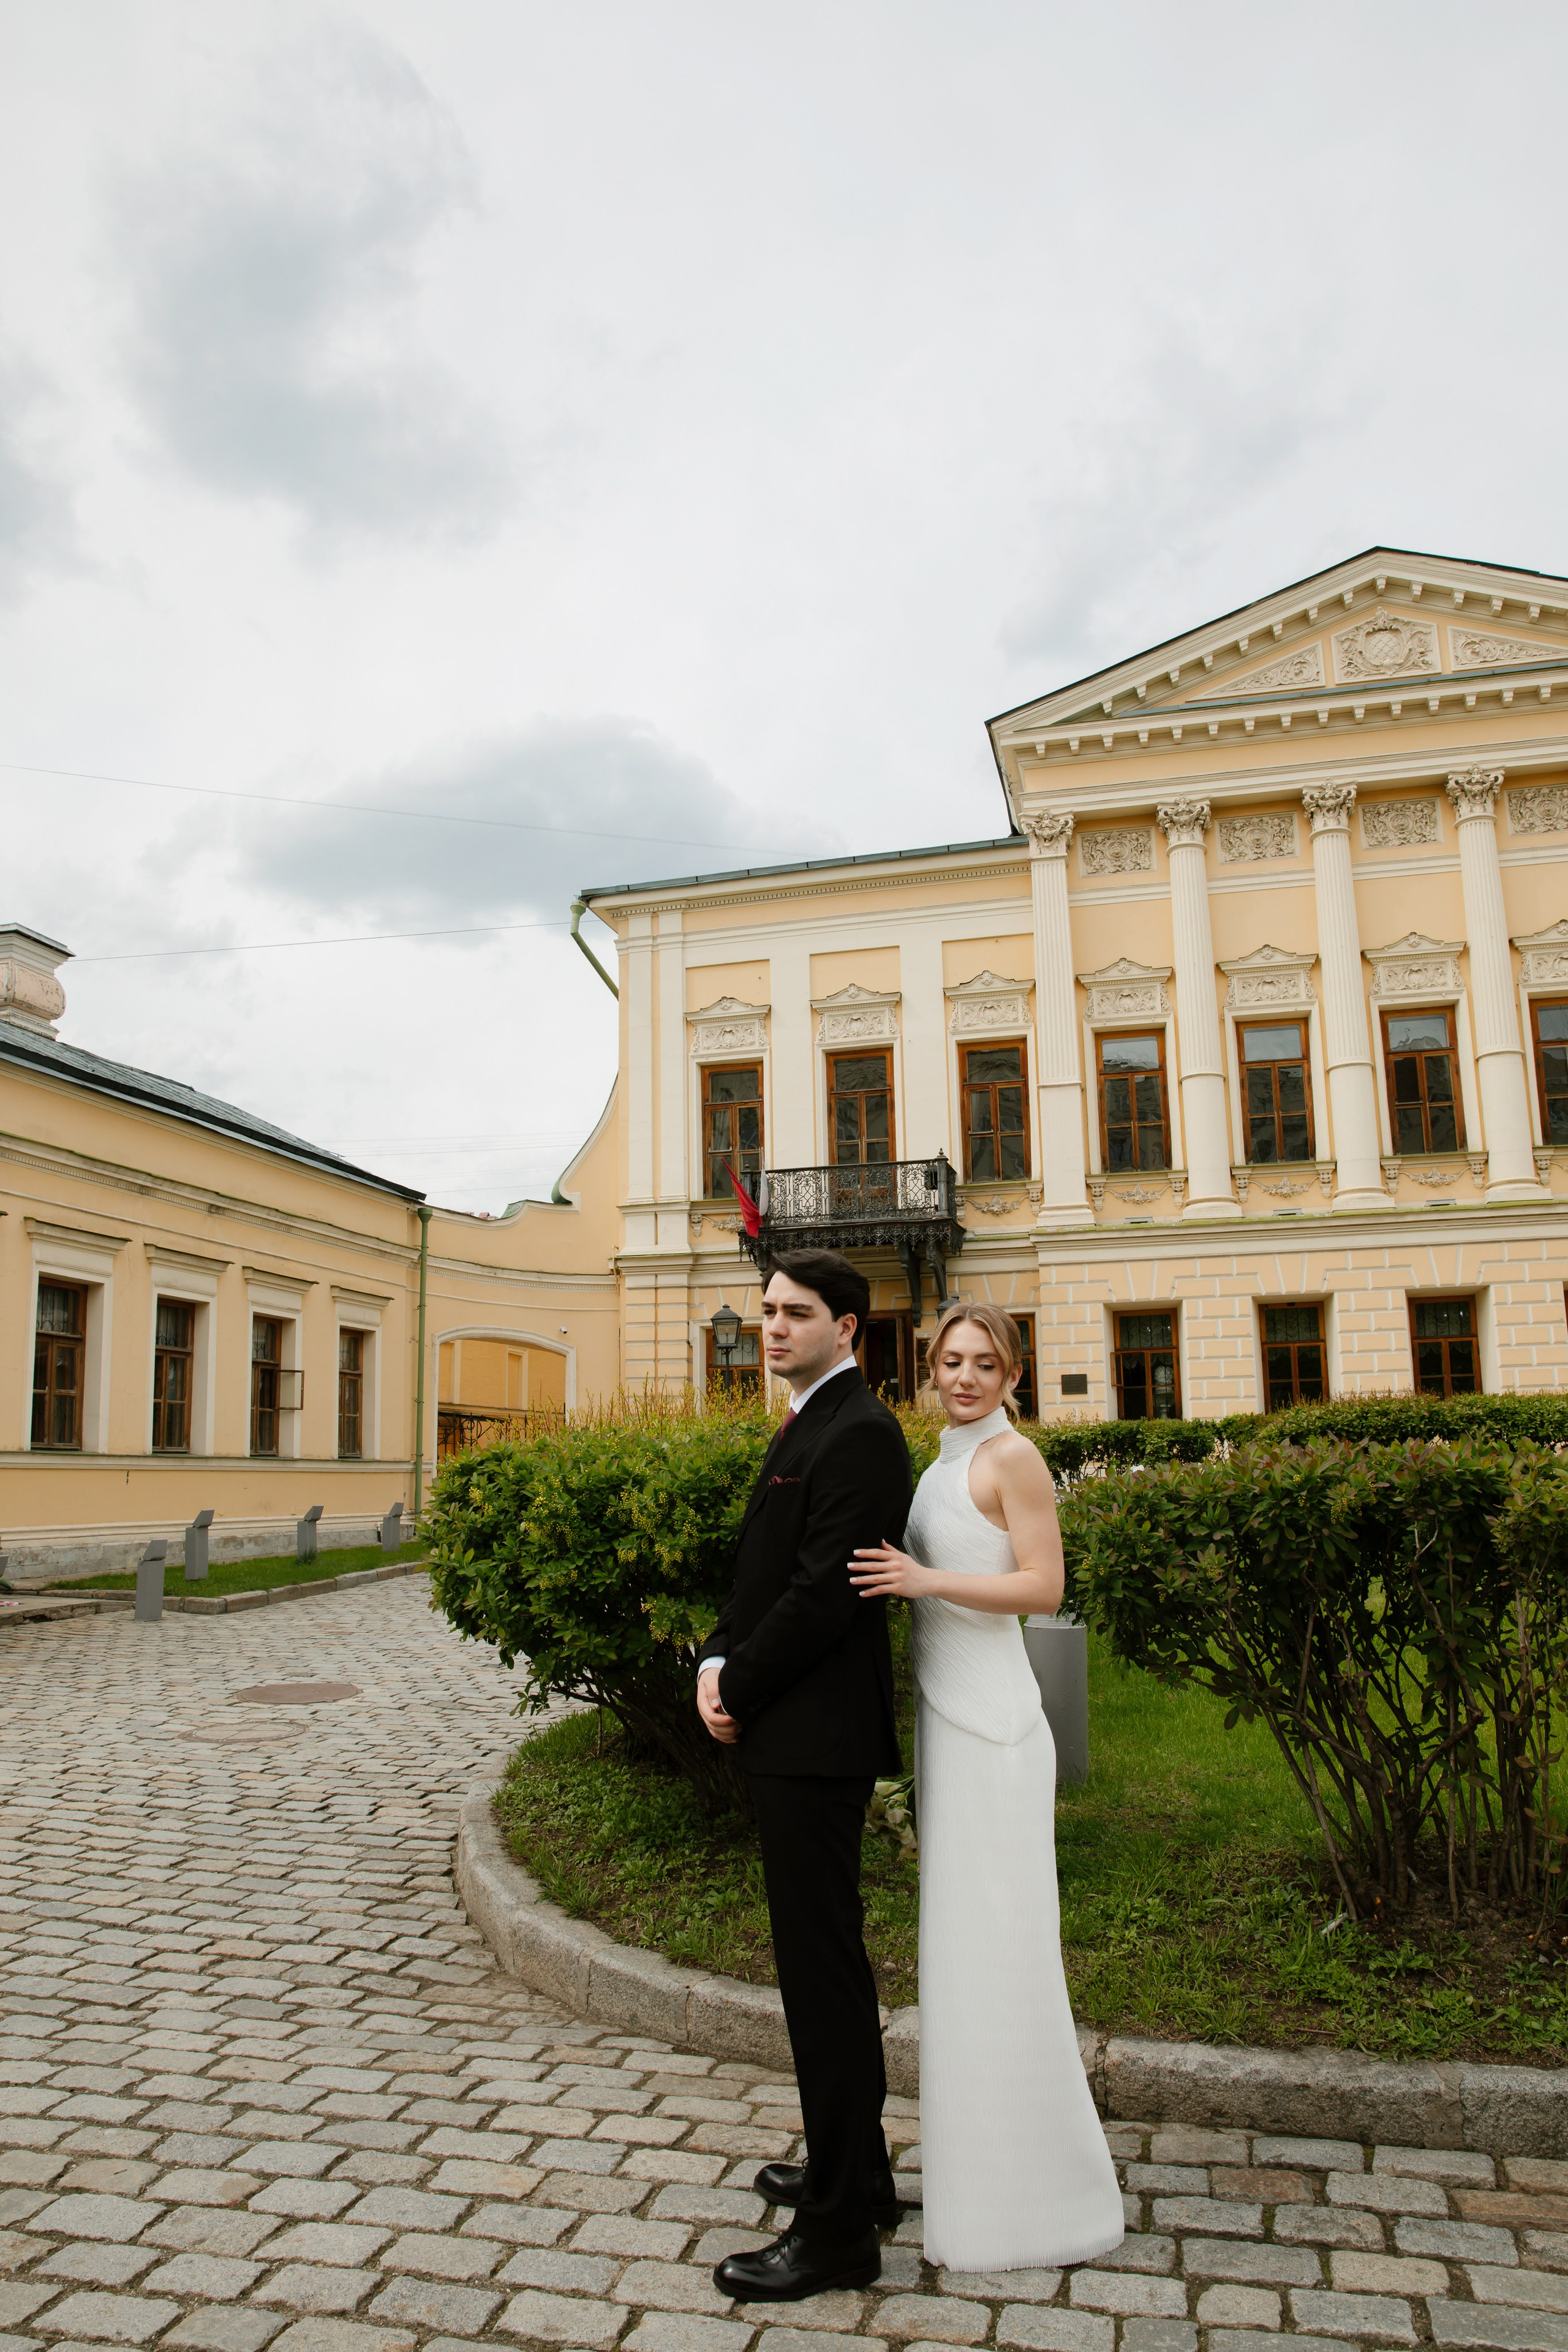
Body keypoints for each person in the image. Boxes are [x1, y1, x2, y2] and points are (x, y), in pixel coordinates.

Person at [848, 1300, 1125, 2274]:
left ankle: (1038, 2198)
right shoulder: (938, 1461)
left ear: (1013, 1375)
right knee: (960, 1956)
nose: (964, 1378)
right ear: (931, 1369)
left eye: (985, 1364)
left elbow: (1044, 1588)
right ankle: (977, 2176)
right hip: (948, 1725)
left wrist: (925, 1583)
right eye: (951, 1361)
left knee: (1006, 1952)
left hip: (998, 1731)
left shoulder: (1014, 1459)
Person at [696, 1248, 913, 2302]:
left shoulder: (861, 1430)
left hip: (817, 1742)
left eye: (797, 1313)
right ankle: (858, 2175)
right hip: (788, 1731)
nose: (773, 1327)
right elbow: (762, 1572)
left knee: (821, 1981)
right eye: (769, 1311)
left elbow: (827, 1592)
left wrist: (737, 1685)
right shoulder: (804, 1420)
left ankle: (837, 2235)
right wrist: (711, 1658)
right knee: (823, 1970)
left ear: (847, 1328)